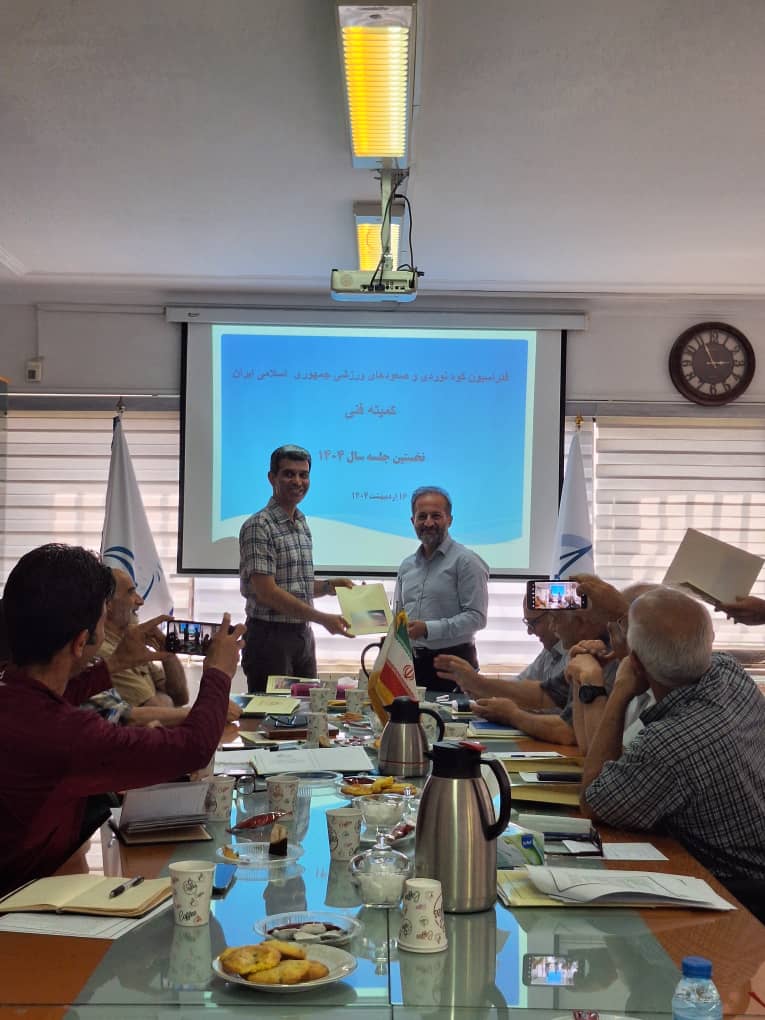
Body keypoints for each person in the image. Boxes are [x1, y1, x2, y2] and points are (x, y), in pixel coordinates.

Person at [0, 543, 244, 897]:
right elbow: (193, 748)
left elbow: (51, 697)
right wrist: (219, 672)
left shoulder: (14, 693)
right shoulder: (67, 735)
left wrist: (114, 663)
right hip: (22, 907)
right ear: (81, 642)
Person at [579, 586, 765, 889]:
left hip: (736, 889)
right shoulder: (731, 672)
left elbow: (593, 801)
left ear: (635, 664)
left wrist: (620, 691)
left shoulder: (667, 745)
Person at [238, 444, 353, 693]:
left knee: (306, 708)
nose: (298, 481)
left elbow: (296, 586)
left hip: (302, 636)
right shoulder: (259, 526)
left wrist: (329, 587)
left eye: (304, 475)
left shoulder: (301, 522)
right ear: (272, 478)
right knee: (272, 712)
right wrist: (322, 618)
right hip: (269, 639)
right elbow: (267, 592)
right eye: (289, 474)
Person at [393, 486, 489, 692]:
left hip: (453, 666)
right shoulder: (406, 566)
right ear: (412, 521)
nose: (428, 523)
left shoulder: (467, 562)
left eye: (436, 516)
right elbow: (398, 615)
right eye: (422, 516)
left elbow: (477, 617)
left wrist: (428, 629)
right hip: (410, 667)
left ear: (449, 520)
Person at [434, 596, 567, 709]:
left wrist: (479, 684)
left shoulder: (573, 657)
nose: (529, 631)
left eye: (534, 622)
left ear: (557, 617)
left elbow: (542, 699)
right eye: (527, 623)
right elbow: (519, 686)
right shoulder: (550, 652)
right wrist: (476, 687)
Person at [99, 568, 188, 708]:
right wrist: (163, 697)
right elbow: (157, 709)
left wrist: (167, 653)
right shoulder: (103, 651)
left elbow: (180, 697)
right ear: (107, 604)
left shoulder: (129, 644)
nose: (141, 601)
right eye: (130, 592)